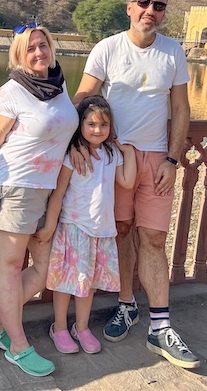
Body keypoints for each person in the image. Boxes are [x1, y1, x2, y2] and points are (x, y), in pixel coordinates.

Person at [72, 0, 199, 369]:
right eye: (144, 3)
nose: (151, 11)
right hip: (115, 158)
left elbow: (180, 110)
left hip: (158, 159)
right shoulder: (107, 48)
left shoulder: (173, 51)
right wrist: (74, 141)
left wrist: (173, 161)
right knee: (122, 231)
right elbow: (84, 98)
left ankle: (160, 327)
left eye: (158, 6)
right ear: (129, 7)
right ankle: (127, 304)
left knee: (155, 238)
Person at [0, 23, 79, 378]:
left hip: (47, 191)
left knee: (43, 270)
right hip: (15, 187)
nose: (38, 53)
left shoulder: (59, 84)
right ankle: (17, 346)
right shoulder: (11, 92)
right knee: (11, 265)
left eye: (43, 45)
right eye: (30, 48)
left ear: (51, 48)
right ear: (19, 55)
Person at [36, 95, 137, 355]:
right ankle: (59, 327)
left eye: (103, 125)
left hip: (100, 231)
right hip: (74, 227)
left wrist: (130, 153)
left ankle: (81, 327)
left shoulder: (111, 154)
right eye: (91, 124)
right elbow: (58, 193)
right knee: (66, 283)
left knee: (87, 284)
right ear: (80, 125)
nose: (97, 130)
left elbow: (126, 181)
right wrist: (49, 226)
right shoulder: (74, 156)